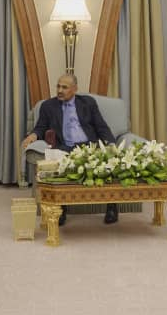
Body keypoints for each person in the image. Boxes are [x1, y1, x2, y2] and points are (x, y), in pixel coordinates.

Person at [22, 73, 118, 225]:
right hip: (65, 147)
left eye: (64, 87)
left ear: (74, 89)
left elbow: (101, 126)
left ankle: (112, 206)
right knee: (58, 165)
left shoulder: (88, 103)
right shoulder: (48, 106)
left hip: (89, 146)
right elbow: (41, 127)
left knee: (108, 164)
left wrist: (111, 144)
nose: (60, 90)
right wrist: (33, 136)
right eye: (58, 86)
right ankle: (61, 209)